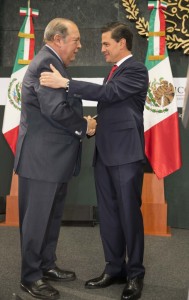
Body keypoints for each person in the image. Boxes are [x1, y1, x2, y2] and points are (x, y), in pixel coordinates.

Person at [40, 22, 149, 300]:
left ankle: (135, 274)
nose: (101, 49)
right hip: (105, 154)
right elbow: (113, 109)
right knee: (110, 216)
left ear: (121, 43)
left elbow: (110, 95)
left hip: (126, 156)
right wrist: (90, 124)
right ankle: (114, 269)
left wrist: (66, 83)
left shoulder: (136, 69)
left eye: (106, 44)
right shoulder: (112, 72)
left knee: (129, 215)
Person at [14, 18, 96, 300]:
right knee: (37, 221)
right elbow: (55, 111)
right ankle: (30, 277)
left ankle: (46, 265)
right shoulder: (45, 65)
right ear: (58, 39)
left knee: (51, 217)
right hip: (41, 162)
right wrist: (84, 126)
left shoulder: (54, 64)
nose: (79, 46)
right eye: (76, 40)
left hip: (53, 160)